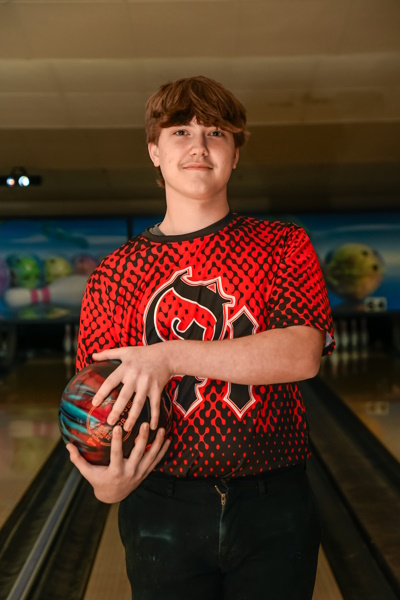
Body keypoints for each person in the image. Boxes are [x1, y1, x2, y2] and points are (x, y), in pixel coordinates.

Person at [67, 75, 335, 600]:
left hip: (275, 501)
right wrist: (103, 482)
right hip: (159, 507)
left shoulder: (282, 244)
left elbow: (303, 354)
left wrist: (168, 357)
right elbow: (91, 401)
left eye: (215, 133)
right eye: (180, 132)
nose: (198, 146)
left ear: (235, 154)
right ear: (154, 152)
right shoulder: (113, 275)